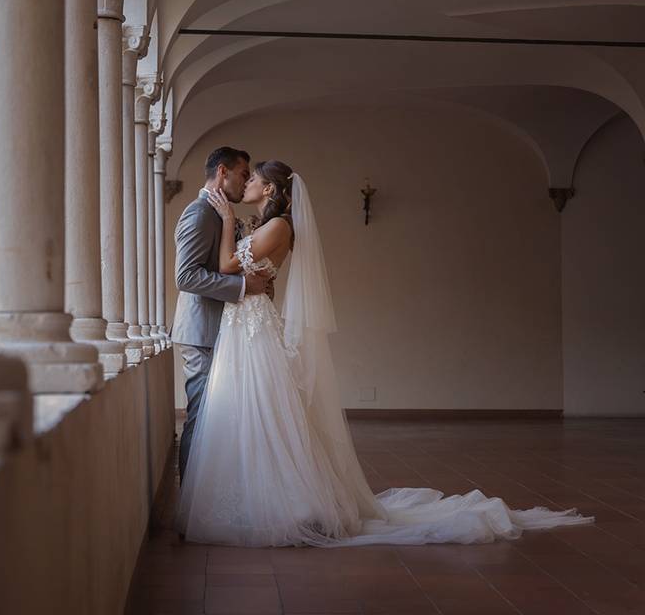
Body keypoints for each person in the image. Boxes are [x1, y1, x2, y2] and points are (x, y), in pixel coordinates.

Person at [175, 159, 594, 547]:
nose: (245, 182)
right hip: (245, 324)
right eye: (243, 175)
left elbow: (229, 264)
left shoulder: (281, 226)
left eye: (252, 178)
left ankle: (284, 500)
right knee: (247, 412)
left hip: (250, 327)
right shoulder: (270, 224)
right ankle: (252, 494)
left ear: (268, 188)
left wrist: (229, 222)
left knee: (263, 413)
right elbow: (247, 270)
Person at [172, 146, 270, 483]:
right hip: (202, 332)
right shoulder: (200, 212)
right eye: (244, 173)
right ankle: (188, 505)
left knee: (220, 419)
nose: (246, 182)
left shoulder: (221, 213)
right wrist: (244, 286)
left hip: (223, 330)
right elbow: (186, 277)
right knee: (201, 418)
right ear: (223, 173)